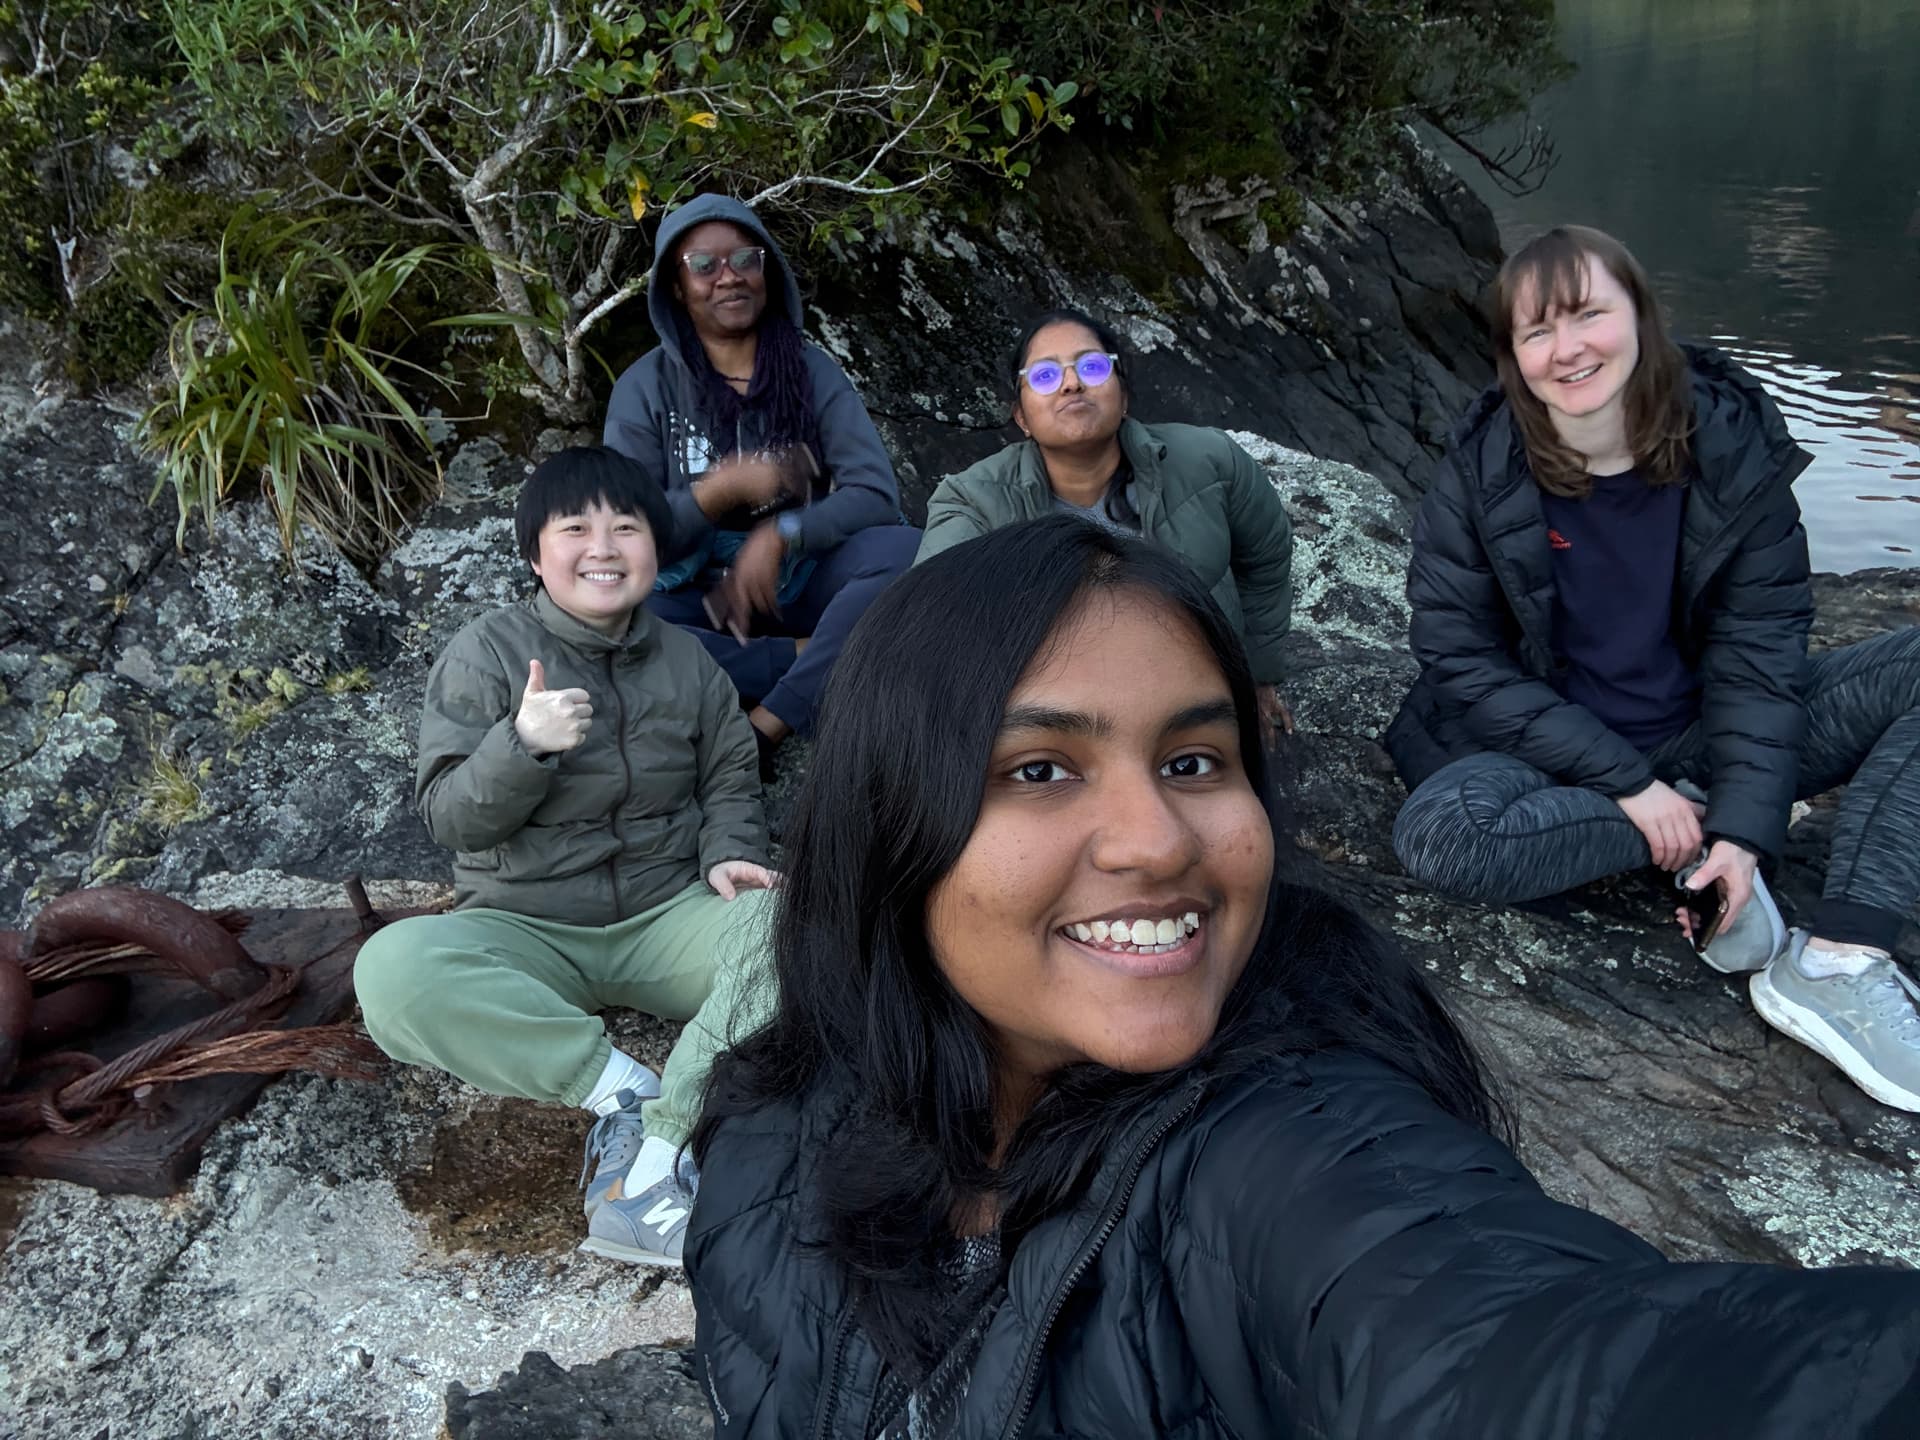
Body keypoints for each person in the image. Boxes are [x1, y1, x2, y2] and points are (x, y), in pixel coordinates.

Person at [686, 516, 1920, 1439]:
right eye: (1041, 770)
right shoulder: (767, 1135)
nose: (1159, 843)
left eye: (1195, 761)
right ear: (886, 822)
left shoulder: (1293, 1156)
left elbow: (1520, 1354)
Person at [1386, 224, 1920, 1111]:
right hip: (1549, 755)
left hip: (1705, 729)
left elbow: (1760, 655)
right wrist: (1635, 789)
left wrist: (1745, 835)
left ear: (1640, 314)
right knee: (1443, 837)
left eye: (1588, 314)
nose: (1568, 349)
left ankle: (1836, 960)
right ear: (1514, 358)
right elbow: (1458, 656)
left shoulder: (1733, 445)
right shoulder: (1481, 470)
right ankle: (1686, 834)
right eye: (1538, 331)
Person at [354, 446, 776, 1268]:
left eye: (627, 528)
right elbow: (452, 819)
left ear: (655, 548)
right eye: (575, 529)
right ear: (534, 555)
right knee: (392, 971)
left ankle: (662, 1148)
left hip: (665, 914)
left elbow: (730, 776)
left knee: (797, 927)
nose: (603, 549)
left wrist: (729, 853)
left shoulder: (688, 661)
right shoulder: (485, 653)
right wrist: (524, 744)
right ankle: (621, 1089)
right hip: (525, 923)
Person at [604, 193, 920, 779]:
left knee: (911, 554)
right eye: (704, 266)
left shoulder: (810, 369)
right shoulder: (644, 389)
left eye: (746, 260)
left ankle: (769, 721)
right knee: (612, 620)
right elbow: (627, 533)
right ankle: (815, 658)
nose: (729, 277)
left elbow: (875, 493)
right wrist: (717, 493)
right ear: (676, 287)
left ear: (766, 270)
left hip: (802, 580)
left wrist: (783, 533)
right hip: (699, 595)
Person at [917, 307, 1297, 737]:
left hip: (1197, 697)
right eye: (1045, 376)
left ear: (1124, 395)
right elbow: (932, 625)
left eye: (1092, 367)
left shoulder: (1210, 461)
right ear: (1021, 416)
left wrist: (1257, 678)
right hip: (1062, 722)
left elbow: (1266, 559)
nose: (1072, 384)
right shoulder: (974, 502)